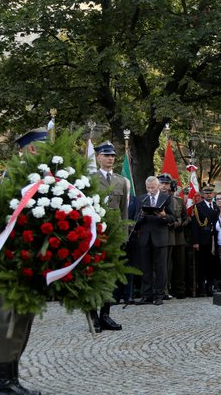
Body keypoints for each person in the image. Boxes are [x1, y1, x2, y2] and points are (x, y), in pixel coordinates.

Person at [0, 128, 47, 395]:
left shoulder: (42, 176)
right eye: (44, 147)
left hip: (30, 258)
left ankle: (10, 379)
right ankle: (2, 383)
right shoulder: (16, 175)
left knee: (23, 319)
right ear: (32, 149)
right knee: (11, 320)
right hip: (13, 257)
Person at [90, 142, 128, 332]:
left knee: (110, 277)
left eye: (112, 155)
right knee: (94, 274)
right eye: (106, 155)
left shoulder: (121, 181)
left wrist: (124, 235)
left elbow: (124, 211)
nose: (110, 158)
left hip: (113, 235)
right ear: (98, 158)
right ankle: (93, 315)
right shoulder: (90, 179)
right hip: (95, 234)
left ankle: (105, 314)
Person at [135, 176, 174, 305]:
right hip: (145, 237)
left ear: (158, 186)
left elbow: (172, 217)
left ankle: (159, 294)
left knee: (160, 268)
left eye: (153, 187)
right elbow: (135, 220)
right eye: (148, 188)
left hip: (160, 237)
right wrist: (141, 215)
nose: (150, 190)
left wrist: (164, 216)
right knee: (145, 268)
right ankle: (146, 295)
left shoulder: (166, 198)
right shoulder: (142, 199)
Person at [159, 173, 188, 299]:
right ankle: (165, 289)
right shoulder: (157, 199)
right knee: (166, 265)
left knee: (180, 265)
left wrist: (178, 223)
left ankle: (179, 290)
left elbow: (186, 218)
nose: (165, 186)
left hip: (178, 236)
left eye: (167, 183)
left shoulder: (179, 200)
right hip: (164, 236)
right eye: (162, 183)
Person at [191, 185, 218, 296]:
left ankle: (210, 286)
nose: (208, 195)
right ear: (202, 194)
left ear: (213, 194)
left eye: (210, 193)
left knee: (213, 264)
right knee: (202, 264)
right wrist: (196, 241)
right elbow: (195, 225)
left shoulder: (216, 206)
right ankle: (201, 288)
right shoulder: (198, 207)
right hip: (203, 239)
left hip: (214, 239)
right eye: (206, 193)